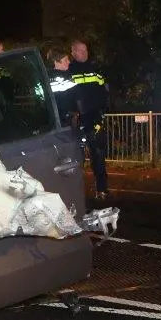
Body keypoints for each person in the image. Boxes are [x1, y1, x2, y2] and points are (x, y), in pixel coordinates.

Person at [67, 39, 109, 201]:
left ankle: (102, 190)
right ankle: (75, 194)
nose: (85, 54)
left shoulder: (95, 70)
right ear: (73, 52)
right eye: (81, 51)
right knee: (76, 159)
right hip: (76, 121)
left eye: (86, 51)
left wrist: (102, 112)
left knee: (98, 155)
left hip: (94, 119)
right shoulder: (69, 71)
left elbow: (104, 92)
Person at [45, 43, 77, 127]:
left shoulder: (44, 77)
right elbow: (76, 96)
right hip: (66, 120)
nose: (69, 62)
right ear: (56, 62)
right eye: (66, 60)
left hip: (51, 120)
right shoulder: (67, 77)